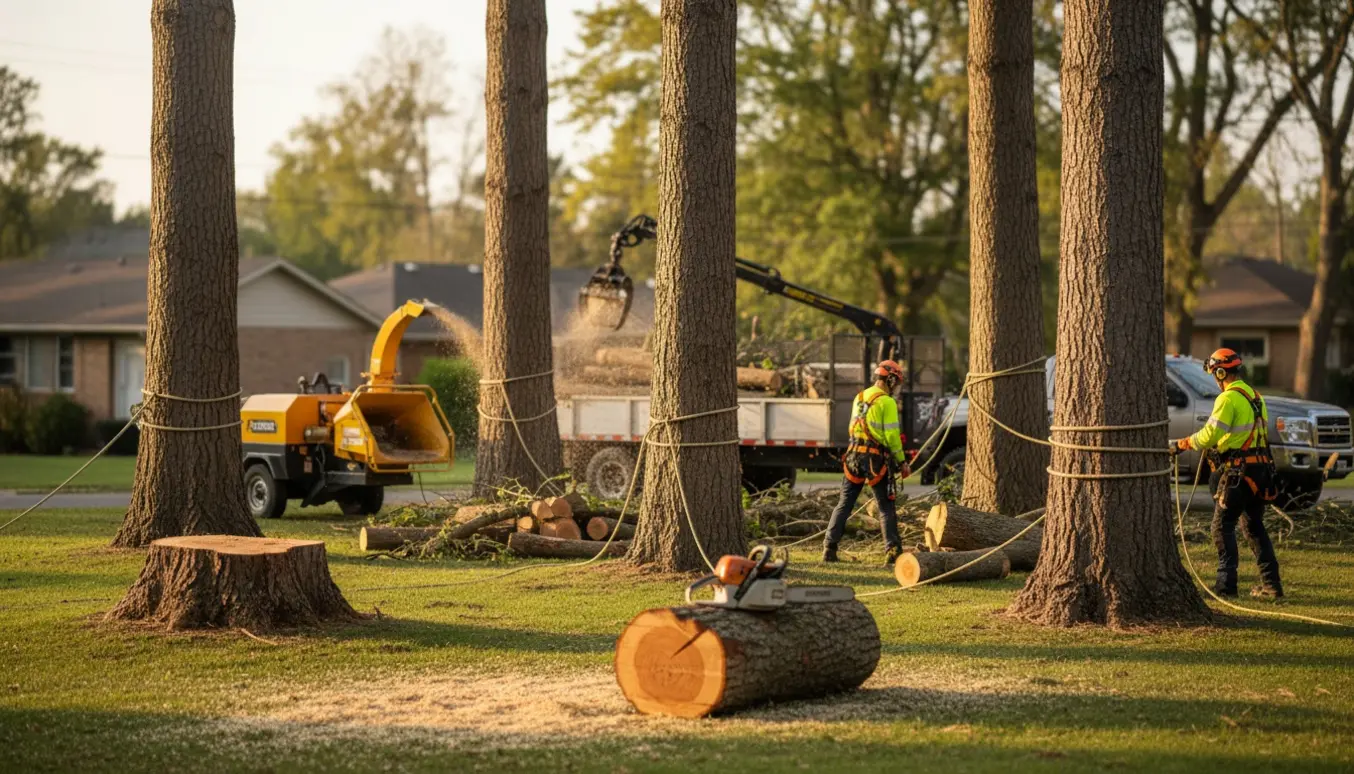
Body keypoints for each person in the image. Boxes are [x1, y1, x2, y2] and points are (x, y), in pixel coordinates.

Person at [1172, 348, 1284, 599]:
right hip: (1259, 472)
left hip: (1237, 473)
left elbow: (1209, 435)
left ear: (1221, 372)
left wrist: (1182, 444)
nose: (1214, 377)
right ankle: (1272, 585)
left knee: (1221, 527)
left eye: (1215, 373)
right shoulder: (1256, 397)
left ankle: (1226, 587)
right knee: (1254, 526)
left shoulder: (1227, 399)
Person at [823, 360, 910, 564]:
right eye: (895, 382)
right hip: (875, 459)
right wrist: (902, 461)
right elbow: (891, 436)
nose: (895, 387)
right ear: (890, 379)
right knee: (885, 507)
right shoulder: (886, 402)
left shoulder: (860, 397)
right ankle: (892, 552)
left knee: (844, 504)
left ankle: (829, 548)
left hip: (853, 456)